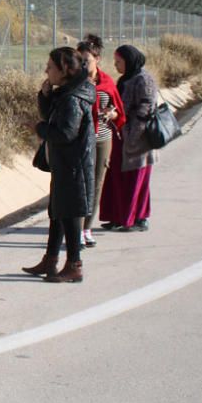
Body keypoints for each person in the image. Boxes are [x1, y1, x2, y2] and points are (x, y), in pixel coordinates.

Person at [22, 47, 96, 283]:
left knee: (71, 214)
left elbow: (65, 133)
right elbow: (53, 116)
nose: (46, 70)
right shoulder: (65, 93)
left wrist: (38, 129)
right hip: (64, 164)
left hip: (74, 165)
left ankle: (74, 265)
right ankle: (50, 260)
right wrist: (44, 96)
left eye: (51, 67)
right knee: (58, 211)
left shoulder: (73, 98)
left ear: (64, 70)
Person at [99, 45, 158, 232]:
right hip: (121, 135)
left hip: (137, 140)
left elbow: (145, 110)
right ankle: (117, 216)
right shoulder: (125, 79)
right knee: (117, 177)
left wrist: (132, 136)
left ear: (129, 60)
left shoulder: (144, 80)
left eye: (119, 62)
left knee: (134, 180)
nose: (115, 65)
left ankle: (135, 218)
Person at [76, 34, 126, 246]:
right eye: (79, 60)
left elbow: (119, 112)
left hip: (103, 139)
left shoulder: (107, 82)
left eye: (85, 60)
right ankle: (75, 230)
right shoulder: (73, 81)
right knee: (80, 185)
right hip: (80, 141)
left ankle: (87, 228)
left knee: (97, 184)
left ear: (97, 59)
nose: (82, 64)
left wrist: (111, 114)